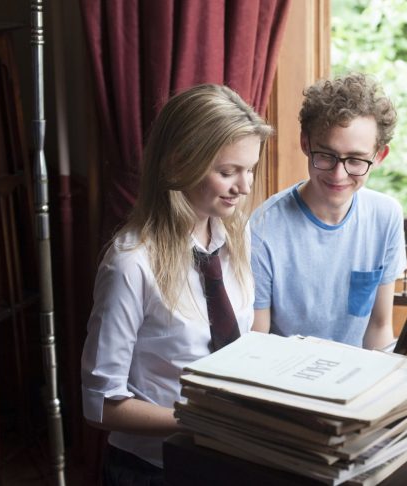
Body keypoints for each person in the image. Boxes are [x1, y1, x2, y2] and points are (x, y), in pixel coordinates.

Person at [80, 84, 273, 484]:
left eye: (250, 168)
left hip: (226, 459)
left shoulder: (236, 236)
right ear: (178, 163)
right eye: (227, 172)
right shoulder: (130, 264)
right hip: (152, 470)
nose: (246, 185)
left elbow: (242, 337)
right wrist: (200, 422)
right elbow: (100, 406)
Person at [251, 72, 406, 350]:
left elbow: (379, 328)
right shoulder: (262, 227)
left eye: (356, 160)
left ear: (379, 156)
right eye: (326, 155)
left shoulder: (387, 216)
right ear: (305, 144)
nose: (338, 174)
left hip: (356, 380)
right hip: (284, 381)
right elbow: (256, 342)